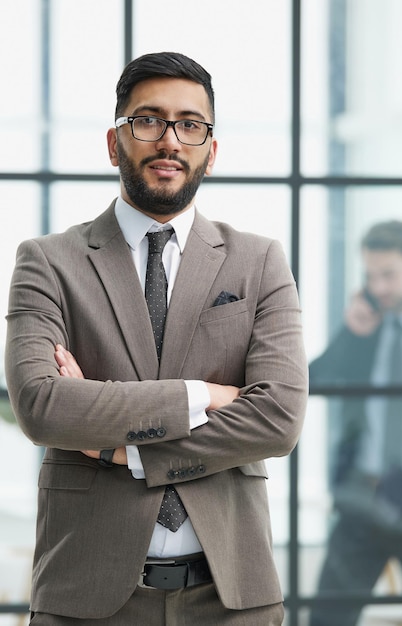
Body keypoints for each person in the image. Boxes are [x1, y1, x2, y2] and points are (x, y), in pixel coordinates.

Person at [5, 52, 308, 625]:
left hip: (232, 598)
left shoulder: (259, 261)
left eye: (190, 125)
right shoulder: (47, 262)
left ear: (210, 152)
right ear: (115, 142)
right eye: (148, 120)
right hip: (86, 596)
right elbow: (43, 407)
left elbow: (280, 418)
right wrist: (208, 395)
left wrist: (121, 452)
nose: (169, 139)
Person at [308, 220, 402, 626]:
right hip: (362, 500)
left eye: (389, 274)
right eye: (371, 275)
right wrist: (350, 334)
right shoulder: (364, 330)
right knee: (326, 618)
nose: (380, 287)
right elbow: (311, 383)